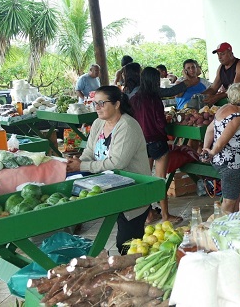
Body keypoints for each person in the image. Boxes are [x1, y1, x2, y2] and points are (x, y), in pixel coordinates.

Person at [65, 85, 150, 252]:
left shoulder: (127, 126)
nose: (97, 108)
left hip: (133, 191)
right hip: (110, 187)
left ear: (117, 104)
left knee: (127, 244)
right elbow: (89, 151)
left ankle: (137, 275)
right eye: (94, 103)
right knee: (120, 240)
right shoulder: (98, 123)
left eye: (102, 103)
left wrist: (82, 165)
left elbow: (117, 163)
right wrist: (76, 163)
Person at [131, 67, 183, 223]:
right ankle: (166, 215)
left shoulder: (134, 99)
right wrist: (167, 119)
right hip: (157, 142)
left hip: (141, 143)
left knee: (146, 179)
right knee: (160, 180)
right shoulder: (155, 100)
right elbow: (160, 123)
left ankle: (148, 215)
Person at [202, 82, 240, 214]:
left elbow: (209, 130)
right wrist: (212, 152)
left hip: (222, 161)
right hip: (229, 163)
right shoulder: (236, 118)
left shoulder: (223, 109)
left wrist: (205, 149)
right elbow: (222, 140)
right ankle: (224, 226)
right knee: (229, 200)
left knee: (236, 193)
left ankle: (236, 218)